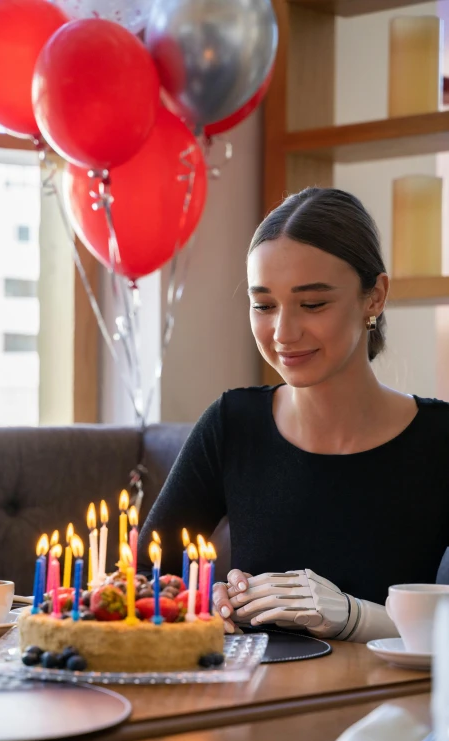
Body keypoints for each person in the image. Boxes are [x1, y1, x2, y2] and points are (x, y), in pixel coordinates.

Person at [137, 187, 449, 643]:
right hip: (259, 702)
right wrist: (202, 604)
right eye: (263, 305)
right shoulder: (232, 423)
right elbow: (145, 579)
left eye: (313, 304)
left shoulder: (440, 440)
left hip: (397, 708)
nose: (283, 332)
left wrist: (353, 616)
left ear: (374, 297)